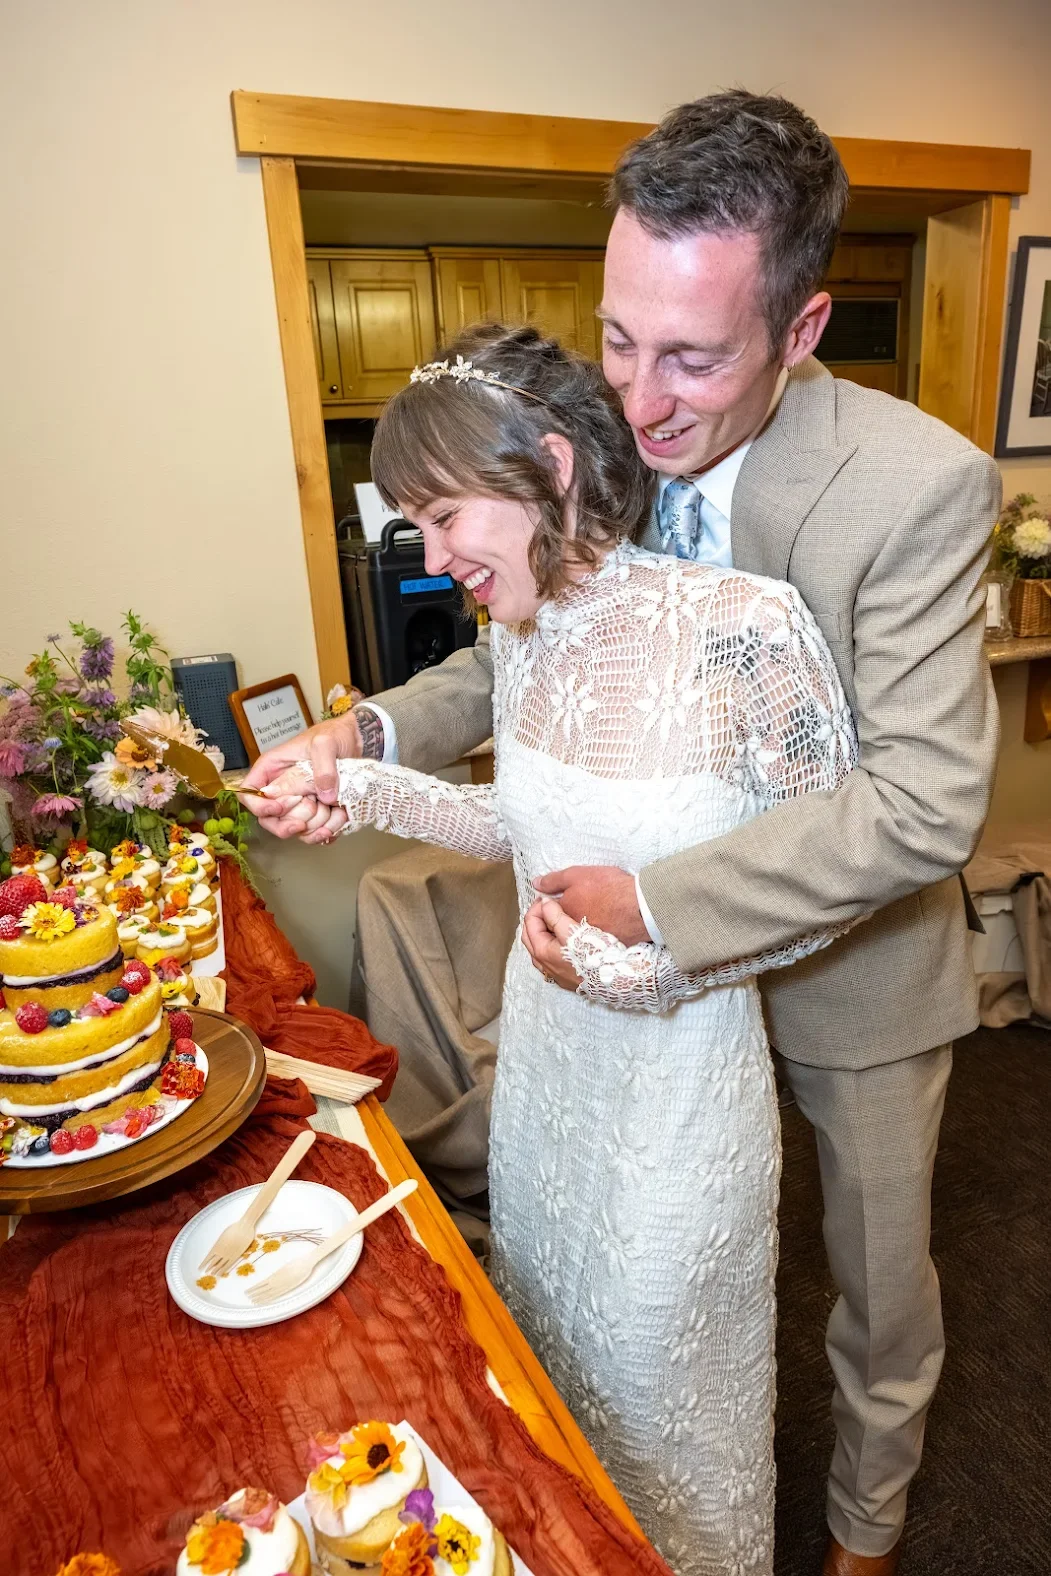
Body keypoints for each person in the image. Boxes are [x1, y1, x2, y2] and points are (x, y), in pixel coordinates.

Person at [245, 93, 1001, 1576]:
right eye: (617, 340)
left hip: (859, 966)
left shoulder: (918, 487)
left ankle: (865, 1531)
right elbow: (532, 646)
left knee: (872, 1279)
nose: (642, 402)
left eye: (693, 357)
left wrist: (657, 901)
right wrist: (366, 736)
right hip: (635, 1032)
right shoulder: (598, 448)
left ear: (799, 328)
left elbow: (920, 801)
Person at [251, 320, 859, 1575]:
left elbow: (832, 882)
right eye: (411, 527)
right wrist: (360, 792)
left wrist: (649, 965)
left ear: (549, 466)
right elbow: (523, 833)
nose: (431, 558)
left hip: (678, 1107)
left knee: (657, 1402)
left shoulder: (745, 627)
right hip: (546, 1084)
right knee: (555, 1364)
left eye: (444, 518)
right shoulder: (524, 643)